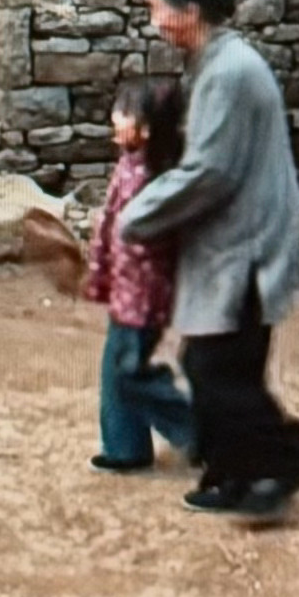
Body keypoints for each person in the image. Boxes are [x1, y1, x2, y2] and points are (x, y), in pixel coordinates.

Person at [112, 0, 299, 523]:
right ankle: (237, 469)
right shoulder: (214, 62)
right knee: (224, 363)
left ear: (191, 10)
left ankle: (278, 460)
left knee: (214, 366)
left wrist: (137, 213)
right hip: (240, 239)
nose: (154, 22)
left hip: (248, 247)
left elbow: (210, 172)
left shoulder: (228, 72)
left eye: (159, 9)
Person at [83, 76, 198, 474]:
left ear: (148, 130)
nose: (114, 117)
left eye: (124, 112)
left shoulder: (155, 180)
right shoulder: (132, 165)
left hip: (142, 298)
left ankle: (201, 434)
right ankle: (124, 448)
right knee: (117, 372)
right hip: (127, 294)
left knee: (130, 375)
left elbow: (139, 244)